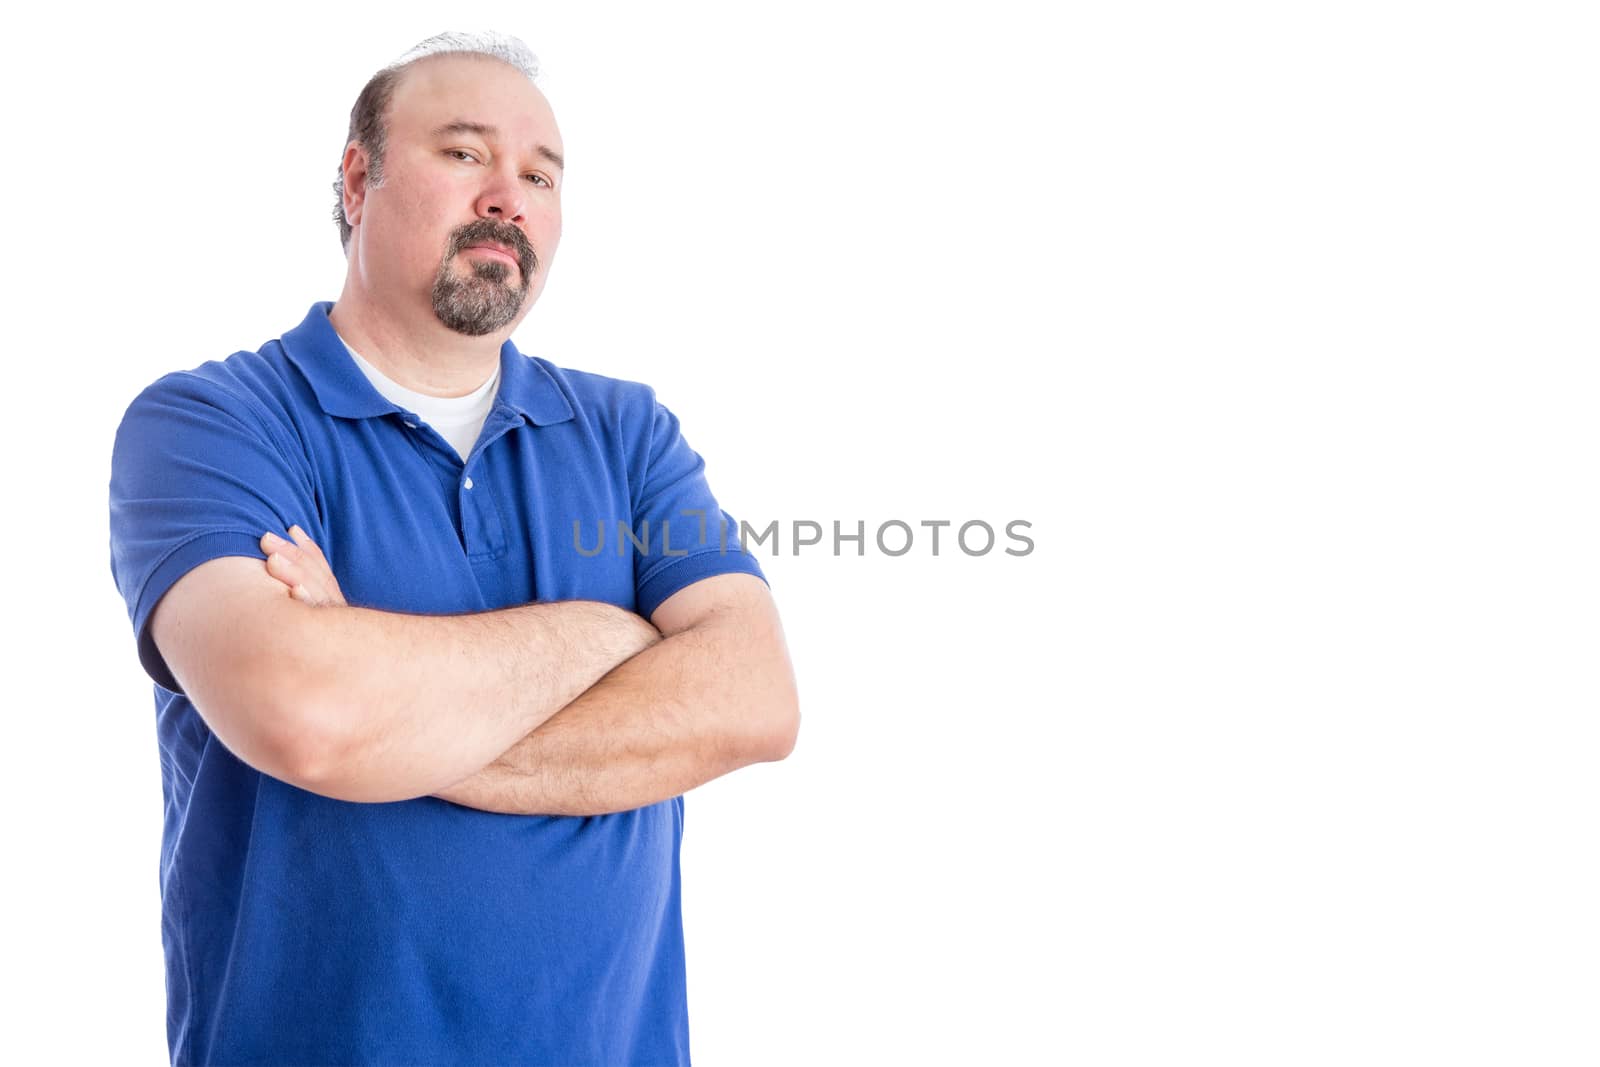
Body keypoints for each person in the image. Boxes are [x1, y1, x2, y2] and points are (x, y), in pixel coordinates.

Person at [106, 30, 799, 1067]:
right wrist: (606, 634)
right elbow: (307, 713)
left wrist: (394, 719)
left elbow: (753, 699)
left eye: (539, 174)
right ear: (358, 177)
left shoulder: (626, 433)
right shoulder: (214, 423)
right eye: (465, 153)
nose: (507, 198)